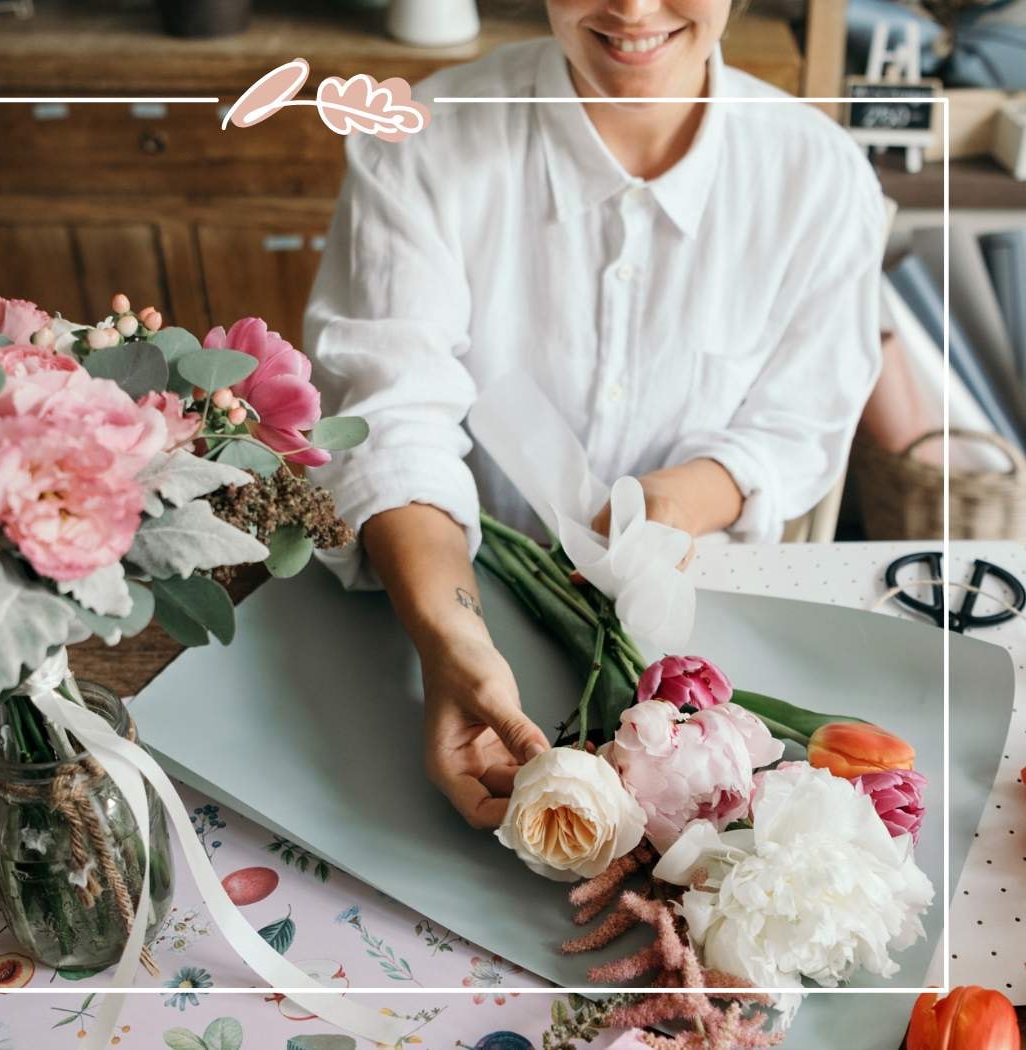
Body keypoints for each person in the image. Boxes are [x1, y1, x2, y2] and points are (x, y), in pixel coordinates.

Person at [303, 0, 885, 829]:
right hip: (442, 594)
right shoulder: (424, 141)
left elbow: (800, 425)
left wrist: (679, 501)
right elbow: (392, 418)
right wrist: (450, 637)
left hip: (697, 630)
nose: (635, 8)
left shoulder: (817, 175)